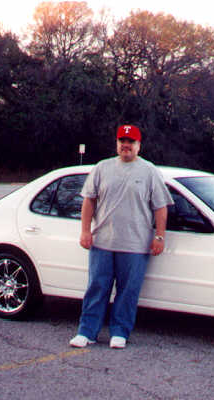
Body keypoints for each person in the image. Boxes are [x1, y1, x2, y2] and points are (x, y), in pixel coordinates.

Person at [69, 124, 174, 349]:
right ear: (117, 143)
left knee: (128, 292)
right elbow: (89, 200)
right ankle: (86, 332)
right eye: (122, 141)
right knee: (97, 288)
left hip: (135, 246)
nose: (126, 145)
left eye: (131, 142)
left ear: (139, 145)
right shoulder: (102, 168)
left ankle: (120, 332)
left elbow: (160, 207)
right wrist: (85, 231)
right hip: (102, 243)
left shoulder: (149, 171)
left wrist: (159, 236)